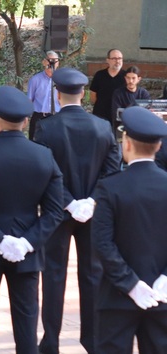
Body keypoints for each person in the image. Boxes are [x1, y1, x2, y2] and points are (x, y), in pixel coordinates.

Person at [0, 86, 64, 354]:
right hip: (27, 254)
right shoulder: (43, 155)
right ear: (26, 122)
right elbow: (53, 212)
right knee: (27, 327)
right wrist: (26, 243)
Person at [34, 67, 121, 354]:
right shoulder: (102, 127)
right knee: (93, 276)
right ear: (83, 93)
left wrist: (68, 202)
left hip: (58, 213)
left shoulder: (46, 127)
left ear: (58, 95)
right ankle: (94, 342)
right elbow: (111, 170)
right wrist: (91, 201)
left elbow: (45, 172)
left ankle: (50, 343)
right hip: (93, 213)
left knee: (54, 277)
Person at [91, 106, 167, 353]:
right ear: (158, 147)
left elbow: (102, 244)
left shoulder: (110, 187)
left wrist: (131, 284)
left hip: (117, 296)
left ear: (127, 143)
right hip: (162, 297)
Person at [27, 50, 61, 140]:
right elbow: (29, 100)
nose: (51, 63)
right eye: (49, 60)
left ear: (58, 63)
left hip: (57, 116)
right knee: (35, 143)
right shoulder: (35, 79)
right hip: (39, 117)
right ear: (44, 62)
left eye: (54, 61)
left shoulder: (61, 80)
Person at [89, 48, 126, 131]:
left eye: (120, 58)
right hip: (101, 115)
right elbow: (93, 95)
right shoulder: (100, 75)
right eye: (114, 58)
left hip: (119, 116)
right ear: (108, 60)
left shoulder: (126, 77)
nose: (117, 61)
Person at [110, 66, 150, 130]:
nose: (130, 81)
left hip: (140, 127)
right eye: (128, 78)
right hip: (122, 126)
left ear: (138, 79)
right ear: (125, 78)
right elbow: (116, 113)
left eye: (133, 78)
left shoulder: (144, 93)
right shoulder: (118, 93)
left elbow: (146, 113)